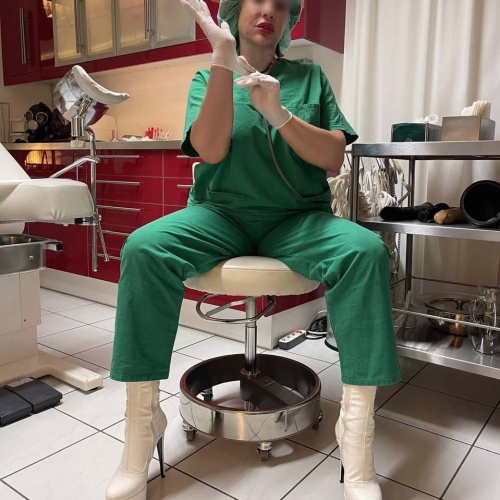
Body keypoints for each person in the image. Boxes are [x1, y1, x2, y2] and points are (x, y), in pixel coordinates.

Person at [105, 1, 401, 499]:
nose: (269, 11)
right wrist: (223, 60)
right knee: (144, 248)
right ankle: (141, 423)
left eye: (281, 4)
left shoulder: (310, 78)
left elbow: (333, 156)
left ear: (289, 18)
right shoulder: (208, 76)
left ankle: (356, 437)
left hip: (297, 218)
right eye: (257, 0)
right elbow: (211, 150)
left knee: (365, 251)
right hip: (220, 215)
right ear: (233, 11)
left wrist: (278, 113)